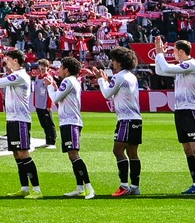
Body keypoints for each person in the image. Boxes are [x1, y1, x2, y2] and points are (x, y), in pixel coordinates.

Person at [153, 37, 195, 197]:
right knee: (187, 149)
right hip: (180, 111)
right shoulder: (181, 66)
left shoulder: (191, 65)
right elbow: (160, 70)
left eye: (174, 51)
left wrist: (159, 53)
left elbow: (165, 68)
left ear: (181, 52)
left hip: (191, 110)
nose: (172, 54)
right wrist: (159, 54)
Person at [0, 50, 40, 198]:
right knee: (16, 154)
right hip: (13, 119)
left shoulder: (19, 76)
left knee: (23, 153)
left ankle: (37, 190)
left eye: (8, 59)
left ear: (15, 60)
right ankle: (25, 188)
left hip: (20, 119)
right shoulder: (14, 76)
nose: (6, 62)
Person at [98, 48, 143, 196]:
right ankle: (135, 187)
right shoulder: (132, 76)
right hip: (136, 118)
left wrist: (101, 80)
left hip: (126, 119)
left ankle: (124, 185)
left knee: (118, 150)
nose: (113, 63)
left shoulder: (119, 77)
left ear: (120, 62)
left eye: (114, 60)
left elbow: (106, 94)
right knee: (132, 153)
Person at [49, 57, 94, 198]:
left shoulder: (68, 81)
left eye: (61, 68)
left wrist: (50, 86)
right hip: (69, 121)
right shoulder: (72, 81)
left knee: (74, 154)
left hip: (71, 122)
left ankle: (89, 188)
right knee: (71, 155)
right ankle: (80, 188)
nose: (59, 70)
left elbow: (55, 98)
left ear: (66, 70)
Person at [32, 65, 58, 150]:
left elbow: (51, 90)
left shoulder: (48, 78)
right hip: (38, 104)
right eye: (41, 68)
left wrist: (49, 104)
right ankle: (47, 140)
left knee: (49, 123)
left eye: (44, 67)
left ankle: (52, 141)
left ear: (47, 68)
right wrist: (35, 102)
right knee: (43, 123)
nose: (42, 69)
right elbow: (35, 91)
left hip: (45, 104)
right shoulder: (37, 78)